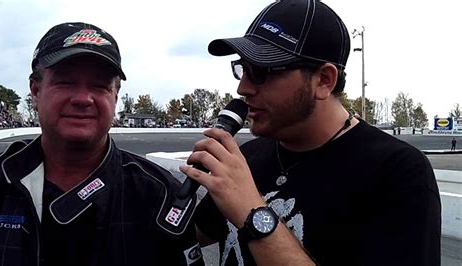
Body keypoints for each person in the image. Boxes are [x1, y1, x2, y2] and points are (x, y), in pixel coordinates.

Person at [180, 1, 441, 265]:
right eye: (242, 69)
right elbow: (184, 236)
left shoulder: (397, 172)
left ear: (324, 80)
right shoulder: (246, 158)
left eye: (260, 71)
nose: (242, 88)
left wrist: (252, 212)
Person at [0, 22, 203, 266]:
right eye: (65, 82)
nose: (83, 98)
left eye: (99, 85)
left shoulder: (162, 196)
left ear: (115, 97)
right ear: (36, 91)